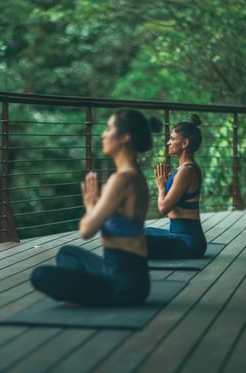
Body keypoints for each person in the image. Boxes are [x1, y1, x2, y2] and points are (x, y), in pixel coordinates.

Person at [30, 109, 162, 306]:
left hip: (124, 284)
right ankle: (82, 293)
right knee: (67, 253)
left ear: (125, 137)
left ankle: (81, 296)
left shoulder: (121, 180)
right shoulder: (136, 176)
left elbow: (86, 230)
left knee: (40, 275)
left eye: (109, 128)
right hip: (128, 274)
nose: (103, 134)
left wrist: (90, 206)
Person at [145, 114, 207, 259]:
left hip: (188, 241)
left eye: (172, 139)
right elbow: (170, 212)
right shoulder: (185, 169)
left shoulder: (186, 171)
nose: (168, 142)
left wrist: (161, 187)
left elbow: (163, 208)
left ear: (185, 143)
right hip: (179, 235)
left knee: (131, 239)